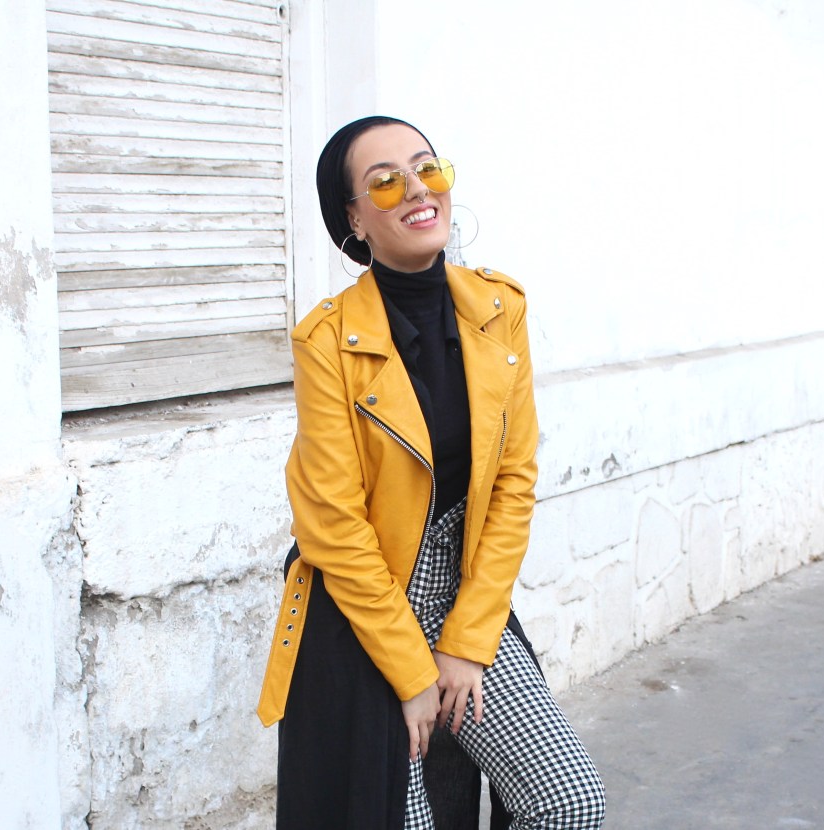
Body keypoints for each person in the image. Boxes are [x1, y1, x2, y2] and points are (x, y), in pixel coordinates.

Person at [255, 116, 606, 830]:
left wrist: (468, 645)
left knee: (569, 801)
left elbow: (512, 482)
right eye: (385, 182)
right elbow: (332, 523)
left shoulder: (500, 310)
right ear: (355, 220)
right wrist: (414, 673)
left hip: (463, 601)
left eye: (428, 169)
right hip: (363, 615)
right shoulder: (326, 341)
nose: (417, 190)